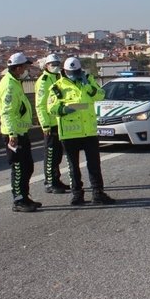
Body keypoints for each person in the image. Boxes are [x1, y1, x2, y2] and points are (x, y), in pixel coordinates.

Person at [47, 57, 115, 206]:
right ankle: (77, 194)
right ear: (65, 71)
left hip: (89, 131)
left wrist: (87, 86)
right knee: (73, 167)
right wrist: (64, 109)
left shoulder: (88, 81)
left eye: (76, 72)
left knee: (94, 165)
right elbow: (51, 108)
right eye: (71, 72)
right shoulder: (57, 87)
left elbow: (101, 95)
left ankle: (98, 194)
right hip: (70, 133)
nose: (74, 74)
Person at [0, 52, 40, 212]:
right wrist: (12, 135)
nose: (27, 70)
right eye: (26, 67)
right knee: (18, 168)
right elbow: (7, 112)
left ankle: (25, 196)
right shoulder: (8, 85)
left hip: (21, 131)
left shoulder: (15, 82)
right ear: (18, 68)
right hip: (13, 134)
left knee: (27, 166)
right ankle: (18, 201)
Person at [35, 53, 69, 194]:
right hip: (50, 122)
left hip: (59, 121)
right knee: (50, 154)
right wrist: (45, 125)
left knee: (58, 154)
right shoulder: (44, 81)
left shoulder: (59, 78)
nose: (55, 67)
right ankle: (49, 182)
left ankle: (56, 179)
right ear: (46, 66)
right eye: (52, 64)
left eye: (57, 64)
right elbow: (40, 105)